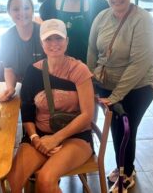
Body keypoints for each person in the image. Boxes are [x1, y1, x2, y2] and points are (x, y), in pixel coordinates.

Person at [87, 0, 153, 192]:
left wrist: (116, 96)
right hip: (106, 83)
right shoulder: (102, 17)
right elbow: (92, 49)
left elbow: (139, 64)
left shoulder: (143, 20)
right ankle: (123, 167)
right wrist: (91, 79)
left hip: (140, 86)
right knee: (117, 129)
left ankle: (126, 173)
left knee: (127, 128)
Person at [6, 19, 95, 193]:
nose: (54, 44)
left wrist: (56, 138)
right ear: (41, 43)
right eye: (48, 39)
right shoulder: (33, 71)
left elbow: (87, 115)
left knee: (45, 179)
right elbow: (27, 110)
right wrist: (35, 139)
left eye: (59, 38)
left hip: (75, 137)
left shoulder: (79, 70)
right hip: (39, 136)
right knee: (12, 180)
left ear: (67, 41)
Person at [0, 0, 45, 102]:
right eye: (16, 9)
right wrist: (10, 87)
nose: (22, 13)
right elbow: (8, 69)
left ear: (32, 10)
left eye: (26, 8)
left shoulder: (44, 33)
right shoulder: (6, 38)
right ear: (9, 12)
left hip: (48, 87)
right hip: (24, 89)